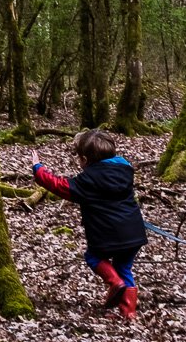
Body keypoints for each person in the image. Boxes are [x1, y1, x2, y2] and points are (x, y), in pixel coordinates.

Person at [30, 129, 147, 320]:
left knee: (93, 257)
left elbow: (59, 186)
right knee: (124, 267)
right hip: (133, 233)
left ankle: (115, 283)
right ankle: (128, 314)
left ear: (84, 159)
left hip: (107, 234)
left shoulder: (87, 180)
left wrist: (38, 168)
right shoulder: (125, 170)